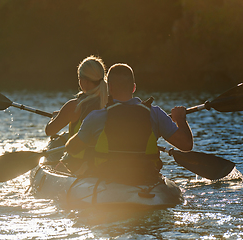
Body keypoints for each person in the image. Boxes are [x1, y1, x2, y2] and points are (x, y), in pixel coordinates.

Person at [65, 63, 193, 185]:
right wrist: (180, 119)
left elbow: (72, 148)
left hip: (108, 180)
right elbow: (186, 144)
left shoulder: (96, 117)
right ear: (133, 87)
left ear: (109, 87)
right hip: (145, 179)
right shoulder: (155, 114)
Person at [45, 55, 108, 172]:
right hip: (103, 164)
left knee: (55, 146)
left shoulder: (74, 106)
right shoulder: (112, 104)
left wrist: (54, 118)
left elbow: (49, 131)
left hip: (76, 165)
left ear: (84, 81)